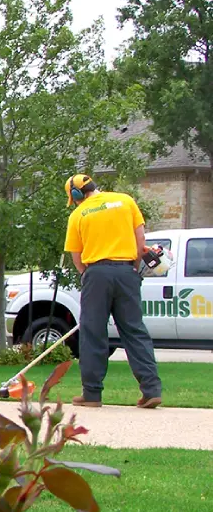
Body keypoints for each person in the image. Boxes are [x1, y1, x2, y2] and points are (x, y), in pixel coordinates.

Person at [63, 174, 162, 409]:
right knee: (135, 331)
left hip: (96, 273)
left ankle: (92, 394)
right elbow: (140, 240)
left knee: (93, 333)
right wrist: (134, 269)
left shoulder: (78, 214)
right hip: (127, 271)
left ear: (76, 195)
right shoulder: (126, 201)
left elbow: (77, 258)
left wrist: (88, 275)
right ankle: (151, 390)